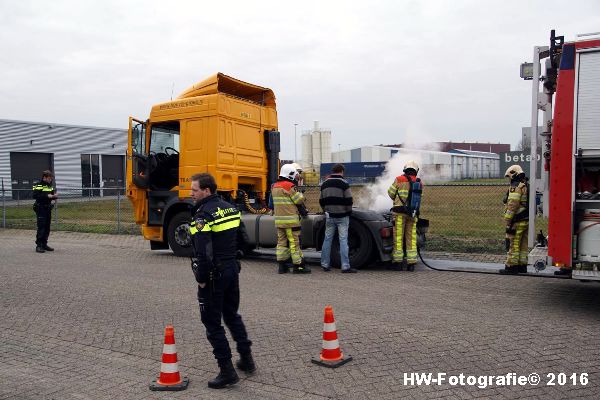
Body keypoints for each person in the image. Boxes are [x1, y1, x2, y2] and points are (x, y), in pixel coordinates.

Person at [189, 173, 255, 389]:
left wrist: (201, 279)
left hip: (213, 275)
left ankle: (227, 371)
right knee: (232, 315)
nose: (191, 193)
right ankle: (247, 359)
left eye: (195, 190)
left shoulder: (202, 216)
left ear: (206, 191)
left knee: (212, 322)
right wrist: (233, 260)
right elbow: (244, 241)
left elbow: (203, 252)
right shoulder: (230, 207)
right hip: (231, 271)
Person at [271, 164, 310, 274]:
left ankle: (282, 266)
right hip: (291, 222)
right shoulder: (289, 186)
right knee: (294, 244)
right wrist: (301, 193)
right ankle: (298, 266)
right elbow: (299, 200)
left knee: (281, 244)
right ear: (291, 174)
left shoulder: (274, 186)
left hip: (279, 221)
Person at [319, 163, 356, 273]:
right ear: (342, 171)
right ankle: (345, 266)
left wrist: (325, 210)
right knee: (343, 240)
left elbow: (321, 201)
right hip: (342, 216)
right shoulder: (344, 183)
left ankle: (325, 264)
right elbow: (349, 200)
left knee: (327, 239)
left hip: (329, 216)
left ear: (332, 171)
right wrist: (348, 212)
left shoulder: (324, 184)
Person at [387, 161, 423, 271]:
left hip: (399, 213)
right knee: (411, 238)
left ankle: (398, 263)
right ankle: (411, 263)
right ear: (416, 171)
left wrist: (397, 200)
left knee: (398, 237)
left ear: (405, 169)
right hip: (412, 214)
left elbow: (390, 192)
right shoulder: (419, 182)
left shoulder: (399, 179)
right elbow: (420, 197)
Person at [499, 165, 529, 275]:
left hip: (516, 221)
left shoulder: (516, 187)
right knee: (523, 245)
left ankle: (511, 266)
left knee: (513, 243)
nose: (509, 179)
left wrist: (507, 220)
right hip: (525, 220)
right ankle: (522, 266)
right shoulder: (525, 185)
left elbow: (512, 205)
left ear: (514, 174)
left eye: (509, 177)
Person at [32, 170, 58, 253]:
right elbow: (35, 195)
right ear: (44, 177)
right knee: (41, 226)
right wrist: (47, 195)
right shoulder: (38, 185)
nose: (50, 180)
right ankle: (39, 245)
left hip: (47, 208)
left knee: (47, 227)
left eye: (51, 178)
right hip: (40, 208)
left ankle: (44, 244)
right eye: (49, 178)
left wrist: (54, 196)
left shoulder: (50, 186)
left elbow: (51, 196)